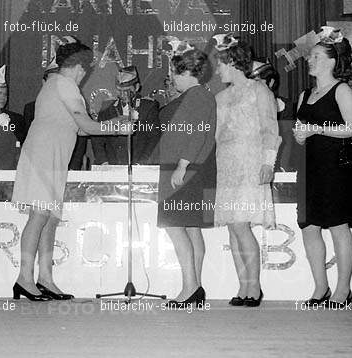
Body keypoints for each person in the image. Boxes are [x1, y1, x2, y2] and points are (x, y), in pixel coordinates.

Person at [11, 36, 130, 301]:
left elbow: (78, 129)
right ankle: (24, 278)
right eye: (84, 68)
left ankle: (45, 278)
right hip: (43, 157)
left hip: (52, 157)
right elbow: (86, 127)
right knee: (39, 216)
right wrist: (119, 127)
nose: (84, 73)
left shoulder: (55, 85)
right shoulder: (65, 85)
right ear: (78, 66)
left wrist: (114, 122)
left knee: (49, 219)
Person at [292, 27, 352, 308]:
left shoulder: (342, 90)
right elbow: (300, 130)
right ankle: (320, 288)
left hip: (336, 167)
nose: (311, 60)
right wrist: (299, 134)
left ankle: (343, 290)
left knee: (338, 226)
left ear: (332, 61)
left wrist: (315, 129)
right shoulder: (304, 93)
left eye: (317, 56)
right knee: (309, 227)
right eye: (311, 56)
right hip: (309, 167)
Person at [213, 40, 280, 307]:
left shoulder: (259, 90)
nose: (217, 70)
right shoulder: (220, 97)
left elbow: (270, 128)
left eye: (219, 64)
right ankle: (242, 286)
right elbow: (215, 136)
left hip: (251, 161)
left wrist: (268, 162)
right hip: (226, 164)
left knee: (241, 225)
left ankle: (254, 286)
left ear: (232, 62)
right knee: (233, 226)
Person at [157, 48, 216, 308]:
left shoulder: (196, 97)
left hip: (184, 169)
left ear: (186, 72)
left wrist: (182, 166)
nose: (172, 78)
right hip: (193, 168)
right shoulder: (201, 95)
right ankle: (195, 287)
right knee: (191, 229)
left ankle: (190, 287)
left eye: (174, 72)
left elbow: (197, 134)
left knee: (174, 225)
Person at [93, 66, 160, 165]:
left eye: (127, 91)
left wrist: (141, 164)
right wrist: (104, 162)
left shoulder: (148, 107)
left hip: (139, 166)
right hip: (112, 166)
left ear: (137, 87)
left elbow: (154, 139)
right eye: (119, 91)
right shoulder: (107, 107)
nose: (123, 95)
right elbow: (97, 139)